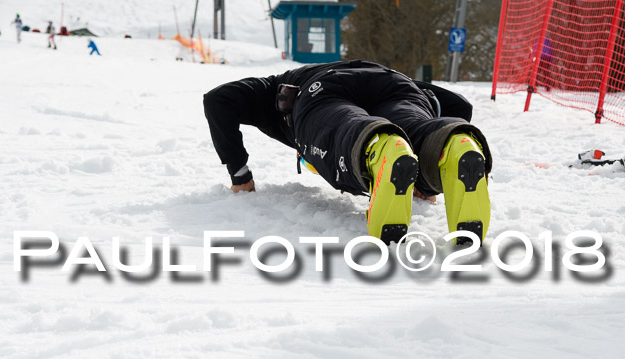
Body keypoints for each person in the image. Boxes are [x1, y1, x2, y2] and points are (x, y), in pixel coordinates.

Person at [203, 60, 492, 244]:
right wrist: (427, 177)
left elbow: (218, 99)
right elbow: (459, 105)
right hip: (395, 81)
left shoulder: (272, 88)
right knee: (417, 128)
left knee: (345, 129)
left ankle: (379, 148)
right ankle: (452, 147)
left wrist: (239, 174)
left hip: (322, 87)